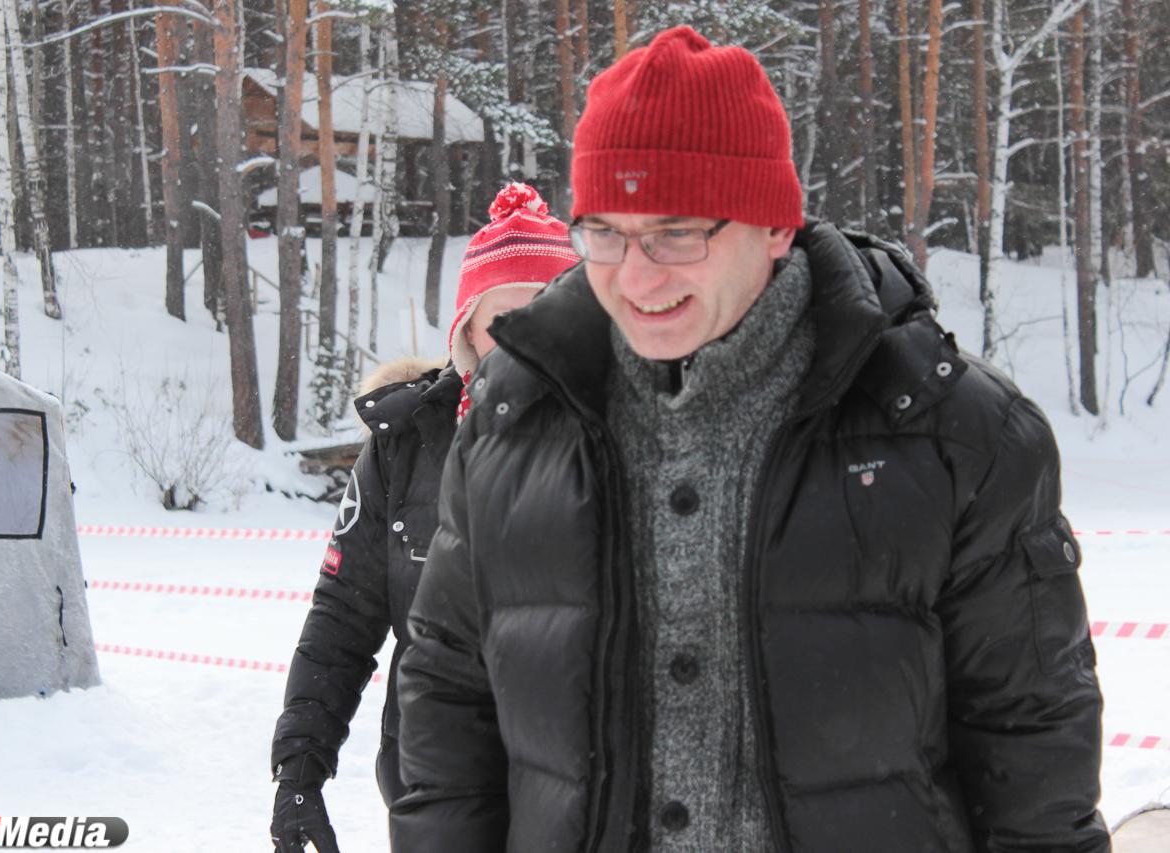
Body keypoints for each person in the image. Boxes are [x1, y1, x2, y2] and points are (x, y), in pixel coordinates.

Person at [391, 26, 1109, 853]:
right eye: (606, 232)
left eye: (677, 232)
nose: (636, 276)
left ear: (774, 225)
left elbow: (1032, 749)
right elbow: (449, 705)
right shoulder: (509, 424)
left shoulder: (955, 435)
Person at [268, 183, 579, 853]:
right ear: (466, 329)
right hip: (434, 794)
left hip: (583, 798)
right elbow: (344, 615)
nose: (527, 340)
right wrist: (300, 768)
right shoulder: (406, 446)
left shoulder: (619, 440)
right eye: (504, 319)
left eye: (548, 312)